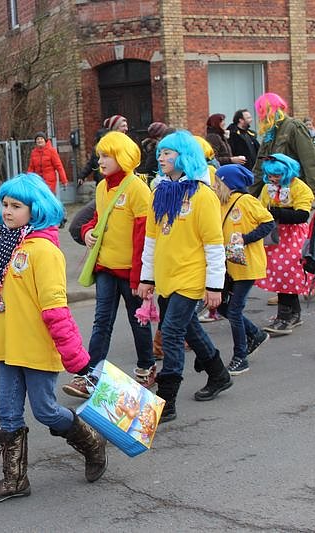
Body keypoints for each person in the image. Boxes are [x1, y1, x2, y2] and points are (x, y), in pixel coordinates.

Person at [0, 172, 106, 504]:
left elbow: (55, 309)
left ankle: (92, 441)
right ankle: (15, 479)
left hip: (36, 347)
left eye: (16, 205)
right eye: (5, 204)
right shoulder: (5, 247)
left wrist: (77, 360)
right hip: (8, 349)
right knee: (7, 416)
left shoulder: (44, 251)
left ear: (36, 209)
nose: (7, 211)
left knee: (46, 411)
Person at [136, 130, 232, 423]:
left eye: (168, 153)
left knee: (173, 333)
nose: (161, 157)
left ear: (185, 157)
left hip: (190, 278)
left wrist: (215, 285)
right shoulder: (160, 192)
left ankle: (167, 400)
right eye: (161, 153)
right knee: (189, 328)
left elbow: (214, 246)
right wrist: (147, 279)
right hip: (166, 277)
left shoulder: (203, 195)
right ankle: (218, 374)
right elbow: (151, 241)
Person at [61, 131, 154, 398]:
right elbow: (99, 220)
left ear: (122, 157)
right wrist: (87, 231)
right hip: (105, 268)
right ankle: (90, 374)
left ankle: (146, 368)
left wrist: (140, 279)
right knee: (102, 321)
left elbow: (142, 237)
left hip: (130, 272)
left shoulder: (137, 189)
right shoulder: (102, 188)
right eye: (99, 155)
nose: (99, 161)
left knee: (138, 321)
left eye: (105, 156)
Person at [211, 165, 275, 374]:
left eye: (218, 183)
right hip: (229, 264)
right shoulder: (220, 203)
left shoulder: (246, 201)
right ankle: (255, 334)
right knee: (221, 306)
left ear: (229, 184)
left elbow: (268, 223)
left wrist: (245, 238)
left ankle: (241, 356)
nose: (214, 186)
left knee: (235, 310)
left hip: (247, 264)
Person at [255, 153, 315, 336]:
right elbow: (260, 207)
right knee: (281, 273)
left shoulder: (299, 188)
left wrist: (278, 213)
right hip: (276, 235)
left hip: (294, 235)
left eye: (277, 175)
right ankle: (294, 314)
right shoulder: (268, 188)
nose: (273, 179)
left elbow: (303, 215)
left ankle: (284, 318)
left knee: (287, 272)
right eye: (270, 175)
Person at [251, 93, 315, 198]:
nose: (262, 115)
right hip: (276, 191)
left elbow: (311, 160)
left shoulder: (293, 127)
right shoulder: (270, 133)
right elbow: (260, 167)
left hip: (296, 190)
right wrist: (247, 195)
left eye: (264, 110)